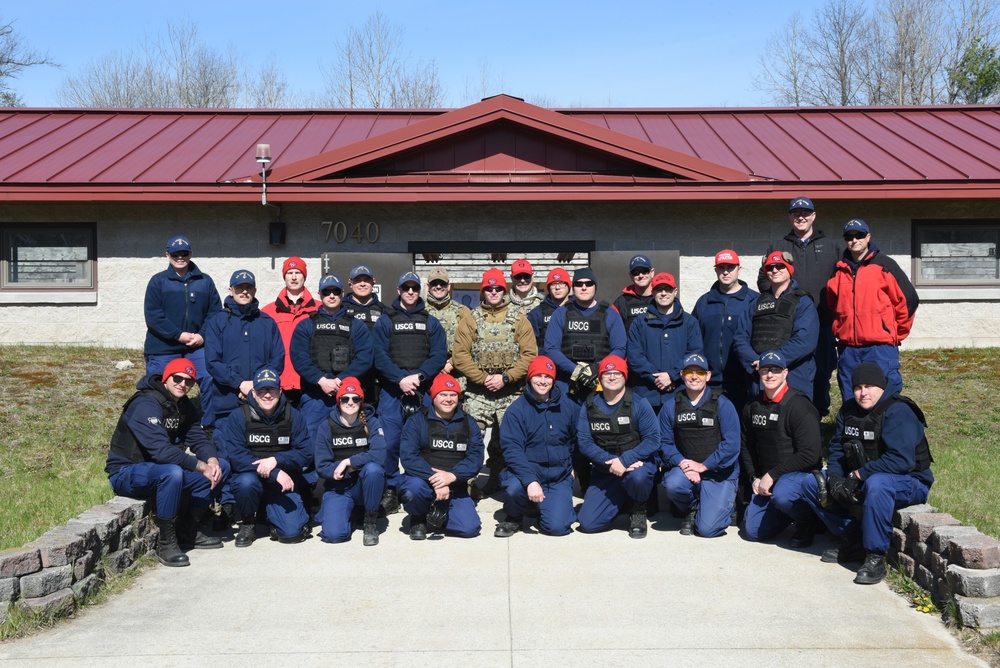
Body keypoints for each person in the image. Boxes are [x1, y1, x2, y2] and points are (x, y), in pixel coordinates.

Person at [799, 363, 933, 584]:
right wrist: (834, 478)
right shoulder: (849, 410)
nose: (863, 393)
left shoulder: (899, 411)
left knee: (877, 484)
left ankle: (875, 556)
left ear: (881, 387)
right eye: (858, 387)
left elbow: (901, 460)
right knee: (812, 483)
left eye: (869, 386)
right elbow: (836, 450)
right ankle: (853, 541)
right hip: (866, 477)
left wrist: (858, 475)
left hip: (909, 481)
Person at [105, 358, 227, 567]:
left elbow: (197, 437)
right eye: (177, 378)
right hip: (127, 471)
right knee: (172, 472)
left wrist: (212, 460)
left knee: (222, 466)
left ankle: (188, 530)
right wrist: (200, 466)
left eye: (189, 382)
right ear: (165, 378)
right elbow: (161, 451)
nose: (182, 384)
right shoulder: (145, 403)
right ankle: (166, 542)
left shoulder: (182, 405)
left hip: (158, 469)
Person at [452, 268, 537, 497]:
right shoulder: (471, 318)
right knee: (470, 441)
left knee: (510, 442)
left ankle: (507, 486)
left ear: (504, 289)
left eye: (497, 288)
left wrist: (506, 378)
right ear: (483, 291)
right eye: (488, 288)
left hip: (510, 391)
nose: (493, 292)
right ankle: (464, 489)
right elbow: (460, 354)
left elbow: (530, 354)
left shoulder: (519, 319)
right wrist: (483, 378)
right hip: (479, 392)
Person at [543, 267, 627, 492]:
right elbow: (551, 348)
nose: (583, 287)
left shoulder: (610, 313)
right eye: (579, 284)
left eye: (588, 284)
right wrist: (576, 371)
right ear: (573, 287)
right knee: (566, 434)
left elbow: (619, 347)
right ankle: (564, 481)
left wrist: (595, 369)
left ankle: (598, 481)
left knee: (600, 432)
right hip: (567, 385)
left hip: (599, 385)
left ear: (595, 287)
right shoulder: (562, 313)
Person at [372, 271, 448, 514]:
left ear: (420, 291)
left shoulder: (431, 322)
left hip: (422, 389)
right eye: (406, 288)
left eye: (415, 288)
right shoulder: (386, 320)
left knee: (425, 442)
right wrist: (400, 379)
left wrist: (419, 376)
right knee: (391, 442)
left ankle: (425, 487)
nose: (411, 292)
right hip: (392, 390)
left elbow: (438, 355)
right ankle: (391, 491)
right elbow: (378, 355)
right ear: (399, 290)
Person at [759, 198, 843, 416]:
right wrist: (784, 298)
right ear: (790, 217)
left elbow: (844, 281)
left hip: (823, 324)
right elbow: (763, 280)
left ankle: (817, 418)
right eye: (796, 213)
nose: (801, 217)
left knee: (821, 374)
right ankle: (788, 418)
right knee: (792, 373)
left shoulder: (833, 246)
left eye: (806, 213)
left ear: (814, 216)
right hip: (786, 327)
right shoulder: (778, 246)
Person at [211, 367, 311, 547]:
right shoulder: (238, 416)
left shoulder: (293, 416)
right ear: (253, 392)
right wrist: (273, 472)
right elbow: (237, 457)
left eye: (272, 389)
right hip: (251, 476)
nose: (267, 395)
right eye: (262, 390)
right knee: (245, 483)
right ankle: (249, 523)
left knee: (291, 534)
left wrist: (276, 461)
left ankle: (269, 515)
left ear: (280, 391)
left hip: (282, 481)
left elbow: (305, 453)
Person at [827, 218, 919, 401]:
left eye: (859, 235)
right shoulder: (839, 270)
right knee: (851, 392)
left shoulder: (885, 265)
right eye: (849, 236)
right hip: (848, 348)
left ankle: (885, 429)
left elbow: (909, 300)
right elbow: (833, 305)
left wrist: (893, 333)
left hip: (880, 347)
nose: (854, 240)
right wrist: (840, 328)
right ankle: (852, 428)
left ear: (868, 236)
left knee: (884, 393)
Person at [739, 351, 823, 545]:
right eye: (765, 370)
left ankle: (807, 520)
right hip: (768, 482)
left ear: (785, 372)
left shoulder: (799, 405)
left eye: (775, 370)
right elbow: (747, 446)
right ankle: (784, 511)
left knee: (783, 494)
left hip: (797, 478)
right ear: (759, 373)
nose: (770, 375)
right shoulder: (752, 406)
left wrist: (772, 475)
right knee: (752, 532)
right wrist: (754, 477)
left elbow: (810, 455)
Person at [576, 356, 660, 539]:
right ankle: (623, 502)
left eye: (617, 373)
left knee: (638, 478)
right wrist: (613, 462)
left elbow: (653, 439)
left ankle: (638, 511)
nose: (612, 377)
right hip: (605, 469)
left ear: (625, 376)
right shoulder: (589, 405)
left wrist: (625, 460)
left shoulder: (639, 403)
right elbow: (585, 443)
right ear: (600, 378)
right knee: (588, 524)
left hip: (636, 466)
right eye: (607, 373)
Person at [658, 354, 740, 537]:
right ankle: (693, 508)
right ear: (681, 374)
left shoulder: (723, 404)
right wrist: (684, 464)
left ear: (708, 376)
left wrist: (703, 466)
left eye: (700, 372)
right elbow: (664, 442)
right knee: (673, 485)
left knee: (707, 530)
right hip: (687, 469)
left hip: (718, 472)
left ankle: (723, 503)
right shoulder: (671, 406)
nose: (694, 376)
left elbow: (732, 445)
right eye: (689, 371)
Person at [495, 356, 577, 537]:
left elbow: (577, 440)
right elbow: (512, 450)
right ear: (529, 378)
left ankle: (543, 509)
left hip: (558, 475)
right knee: (513, 489)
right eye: (538, 376)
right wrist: (530, 481)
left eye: (548, 377)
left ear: (554, 380)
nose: (543, 381)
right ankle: (514, 517)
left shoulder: (569, 407)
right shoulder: (516, 411)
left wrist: (574, 468)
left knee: (557, 528)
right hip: (526, 472)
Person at [398, 374, 485, 539]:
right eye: (443, 394)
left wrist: (452, 476)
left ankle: (439, 512)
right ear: (434, 397)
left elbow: (476, 458)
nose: (448, 399)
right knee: (413, 490)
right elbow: (408, 457)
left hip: (455, 484)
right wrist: (438, 480)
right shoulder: (417, 420)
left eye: (453, 395)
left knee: (469, 529)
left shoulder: (468, 423)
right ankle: (418, 516)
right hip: (422, 481)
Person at [142, 235, 221, 414]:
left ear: (191, 254)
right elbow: (153, 316)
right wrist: (178, 335)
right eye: (175, 253)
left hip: (196, 346)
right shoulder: (158, 281)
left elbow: (215, 313)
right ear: (167, 254)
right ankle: (160, 426)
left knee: (211, 378)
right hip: (164, 346)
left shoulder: (205, 281)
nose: (180, 257)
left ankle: (208, 428)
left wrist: (202, 335)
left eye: (184, 253)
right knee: (158, 385)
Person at [289, 274, 374, 439]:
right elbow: (299, 358)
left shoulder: (356, 325)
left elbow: (364, 358)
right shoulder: (306, 324)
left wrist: (340, 381)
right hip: (315, 396)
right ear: (319, 294)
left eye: (335, 291)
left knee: (348, 444)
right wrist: (321, 380)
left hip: (348, 396)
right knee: (311, 443)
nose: (331, 295)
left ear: (342, 293)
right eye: (326, 292)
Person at [202, 270, 285, 429]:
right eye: (240, 287)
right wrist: (239, 383)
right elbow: (213, 361)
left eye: (249, 287)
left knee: (261, 451)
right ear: (231, 290)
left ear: (255, 290)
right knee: (227, 450)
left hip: (262, 403)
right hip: (227, 403)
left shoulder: (267, 323)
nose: (245, 291)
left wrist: (255, 385)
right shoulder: (218, 322)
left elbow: (277, 360)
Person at [733, 251, 819, 401]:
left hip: (794, 374)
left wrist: (771, 361)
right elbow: (740, 337)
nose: (775, 270)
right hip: (759, 374)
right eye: (770, 268)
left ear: (789, 269)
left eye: (780, 266)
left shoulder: (803, 302)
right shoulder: (756, 303)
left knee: (794, 419)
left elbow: (804, 341)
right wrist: (756, 362)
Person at [314, 377, 387, 546]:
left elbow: (379, 455)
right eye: (345, 398)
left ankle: (370, 522)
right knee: (334, 535)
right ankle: (349, 513)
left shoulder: (372, 422)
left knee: (374, 470)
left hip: (364, 486)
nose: (350, 402)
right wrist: (346, 470)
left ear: (361, 401)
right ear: (338, 401)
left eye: (355, 398)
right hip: (339, 487)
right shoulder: (326, 426)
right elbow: (322, 467)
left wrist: (349, 462)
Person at [626, 271, 703, 412]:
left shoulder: (690, 322)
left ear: (675, 291)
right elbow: (634, 356)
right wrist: (656, 378)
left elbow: (694, 353)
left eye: (667, 289)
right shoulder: (639, 322)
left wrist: (672, 376)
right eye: (658, 289)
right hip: (646, 395)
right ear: (652, 292)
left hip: (679, 393)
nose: (663, 293)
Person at [692, 249, 758, 415]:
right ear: (716, 270)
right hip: (710, 380)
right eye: (721, 267)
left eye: (730, 267)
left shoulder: (753, 300)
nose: (726, 271)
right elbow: (694, 339)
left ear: (739, 269)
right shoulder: (704, 302)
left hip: (744, 379)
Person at [260, 257, 319, 404]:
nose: (293, 277)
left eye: (298, 273)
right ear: (284, 276)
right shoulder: (268, 312)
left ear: (304, 276)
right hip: (279, 381)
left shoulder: (319, 309)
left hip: (310, 381)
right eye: (289, 272)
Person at [343, 263, 384, 405]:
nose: (362, 284)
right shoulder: (340, 310)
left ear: (373, 282)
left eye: (366, 280)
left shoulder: (385, 311)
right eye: (357, 280)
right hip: (349, 375)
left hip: (378, 379)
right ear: (350, 283)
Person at [424, 267, 472, 383]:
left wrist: (451, 363)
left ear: (449, 286)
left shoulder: (462, 311)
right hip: (426, 372)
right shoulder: (421, 311)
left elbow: (472, 343)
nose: (439, 286)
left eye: (443, 283)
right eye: (434, 283)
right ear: (427, 286)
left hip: (455, 373)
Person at [526, 267, 571, 351]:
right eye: (553, 284)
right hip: (547, 360)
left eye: (561, 283)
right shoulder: (537, 313)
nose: (557, 287)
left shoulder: (579, 308)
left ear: (568, 286)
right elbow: (530, 345)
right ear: (549, 287)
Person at [612, 254, 655, 334]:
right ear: (631, 276)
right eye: (636, 272)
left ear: (652, 272)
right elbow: (611, 330)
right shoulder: (621, 302)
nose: (641, 275)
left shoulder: (662, 298)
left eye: (645, 271)